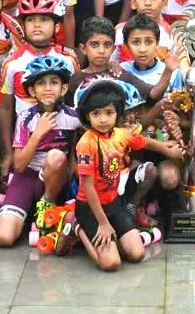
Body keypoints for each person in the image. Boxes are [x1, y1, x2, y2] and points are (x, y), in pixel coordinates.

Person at [74, 81, 182, 270]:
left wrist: (168, 150)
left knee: (137, 254)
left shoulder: (120, 134)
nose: (102, 119)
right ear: (87, 116)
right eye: (96, 114)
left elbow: (144, 142)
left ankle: (113, 235)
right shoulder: (86, 143)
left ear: (117, 114)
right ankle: (77, 228)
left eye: (109, 113)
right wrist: (103, 223)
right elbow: (88, 187)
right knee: (111, 264)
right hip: (90, 208)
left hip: (114, 202)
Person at [0, 55, 80, 249]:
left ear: (64, 88)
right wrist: (39, 133)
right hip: (27, 176)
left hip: (55, 179)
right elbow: (19, 164)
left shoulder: (74, 117)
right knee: (4, 237)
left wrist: (73, 159)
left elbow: (83, 140)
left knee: (56, 156)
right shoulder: (26, 118)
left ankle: (46, 205)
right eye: (41, 83)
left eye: (54, 82)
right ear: (32, 90)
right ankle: (30, 212)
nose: (48, 88)